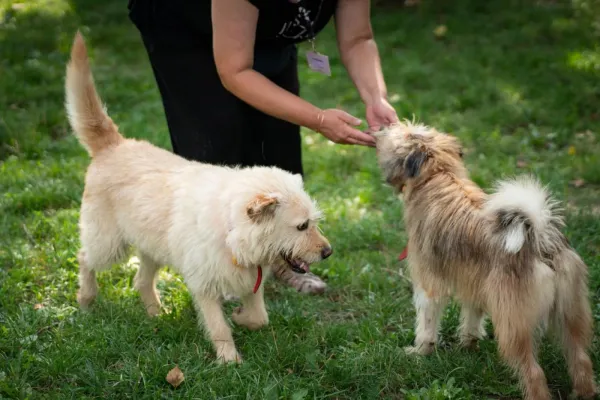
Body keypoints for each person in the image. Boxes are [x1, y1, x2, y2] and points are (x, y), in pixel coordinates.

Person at [127, 0, 398, 294]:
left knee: (279, 144)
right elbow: (235, 71)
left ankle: (281, 258)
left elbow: (359, 38)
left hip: (264, 29)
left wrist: (376, 98)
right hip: (185, 26)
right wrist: (318, 119)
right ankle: (221, 267)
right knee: (215, 147)